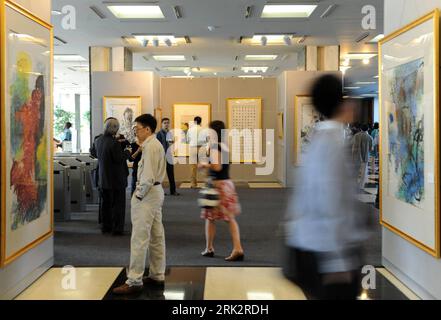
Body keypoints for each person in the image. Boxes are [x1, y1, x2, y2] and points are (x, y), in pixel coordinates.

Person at [283, 75, 367, 300]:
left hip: (314, 245)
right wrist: (336, 261)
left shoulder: (320, 138)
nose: (354, 104)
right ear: (342, 103)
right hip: (327, 253)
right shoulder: (331, 144)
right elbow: (328, 202)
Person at [113, 114, 167, 295]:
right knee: (156, 235)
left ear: (148, 129)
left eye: (137, 128)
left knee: (139, 238)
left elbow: (148, 177)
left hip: (148, 195)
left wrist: (138, 195)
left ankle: (134, 279)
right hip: (155, 193)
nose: (135, 131)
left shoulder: (151, 147)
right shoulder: (153, 145)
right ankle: (157, 274)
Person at [199, 120, 244, 262]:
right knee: (214, 218)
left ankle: (236, 248)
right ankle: (210, 247)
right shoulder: (223, 145)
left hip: (219, 187)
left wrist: (204, 164)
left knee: (220, 218)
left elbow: (217, 167)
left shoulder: (214, 147)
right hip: (226, 184)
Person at [94, 118, 131, 236]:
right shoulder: (114, 143)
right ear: (115, 129)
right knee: (118, 205)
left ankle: (106, 227)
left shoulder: (98, 140)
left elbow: (94, 153)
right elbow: (118, 158)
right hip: (116, 179)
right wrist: (128, 151)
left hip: (103, 178)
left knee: (105, 204)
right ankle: (117, 229)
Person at [156, 118, 179, 196]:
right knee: (160, 175)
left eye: (167, 123)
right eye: (165, 123)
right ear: (161, 124)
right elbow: (157, 146)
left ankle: (173, 191)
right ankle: (159, 192)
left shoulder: (170, 133)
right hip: (161, 157)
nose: (166, 124)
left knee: (171, 174)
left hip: (169, 156)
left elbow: (172, 144)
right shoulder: (158, 134)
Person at [187, 117, 208, 188]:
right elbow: (207, 140)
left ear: (194, 122)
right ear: (200, 122)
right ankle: (207, 183)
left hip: (193, 148)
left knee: (193, 167)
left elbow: (187, 140)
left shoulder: (190, 129)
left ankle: (193, 184)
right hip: (202, 148)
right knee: (204, 166)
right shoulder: (204, 130)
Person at [352, 124, 373, 190]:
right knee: (363, 173)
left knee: (356, 171)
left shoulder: (356, 135)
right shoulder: (370, 137)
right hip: (365, 156)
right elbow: (370, 149)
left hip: (356, 156)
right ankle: (361, 186)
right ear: (368, 129)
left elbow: (353, 146)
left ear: (360, 128)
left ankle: (354, 184)